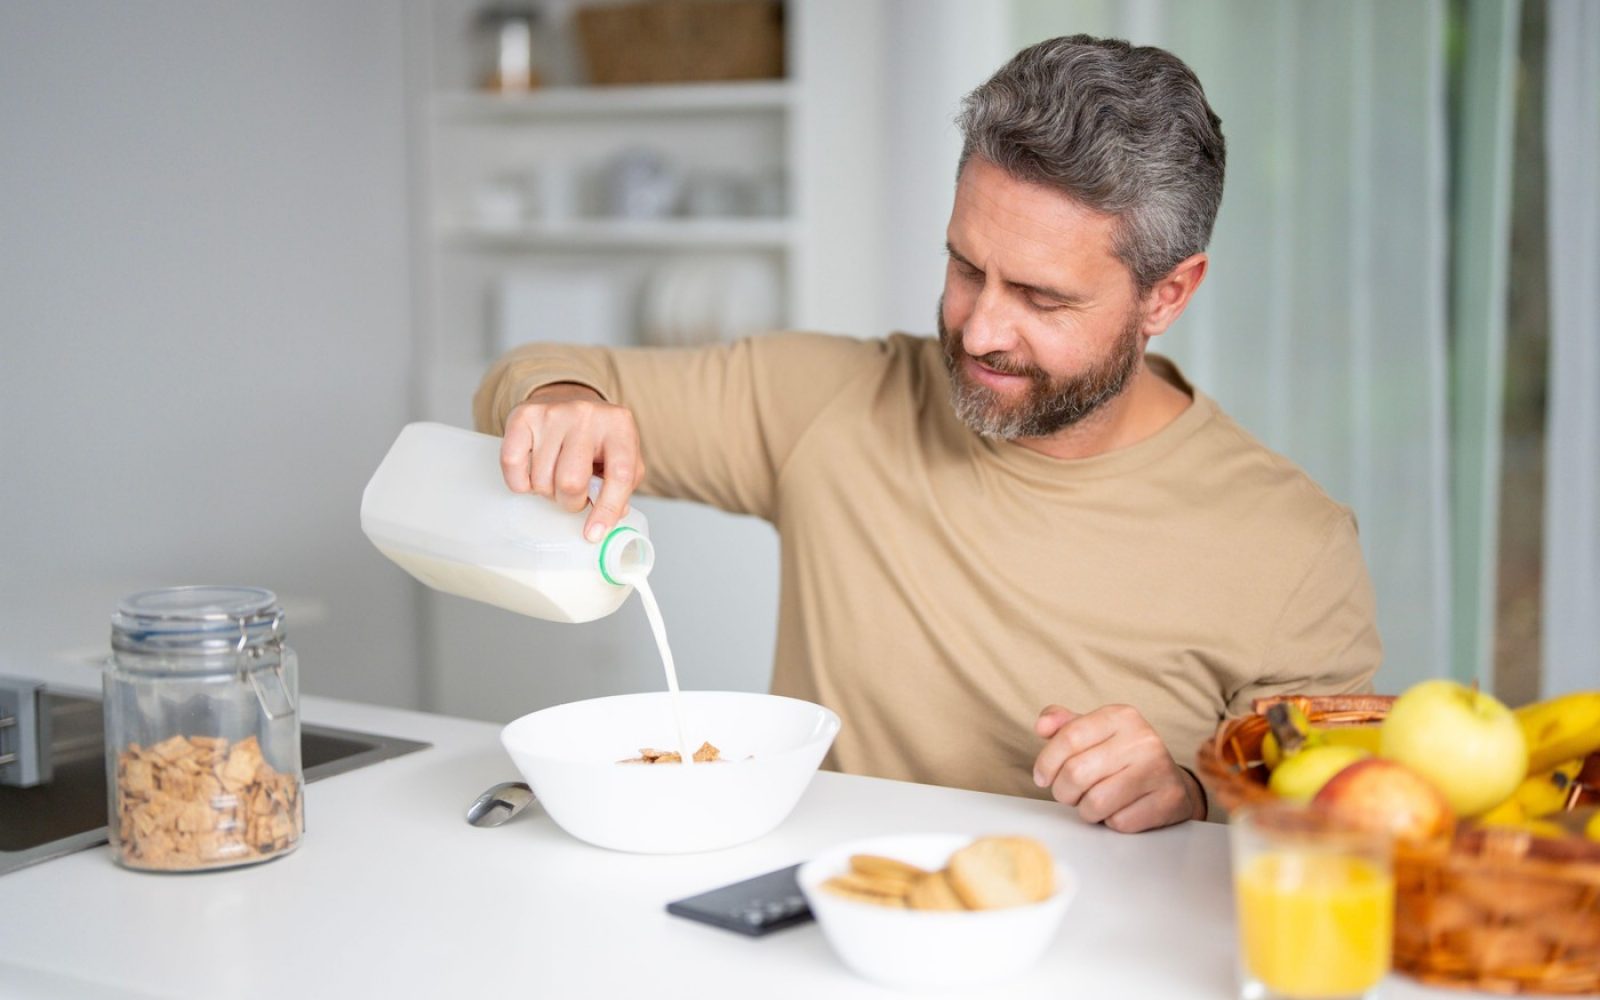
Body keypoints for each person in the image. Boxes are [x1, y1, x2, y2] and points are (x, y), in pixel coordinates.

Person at [474, 35, 1380, 832]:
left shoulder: (1294, 547)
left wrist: (1187, 792)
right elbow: (527, 378)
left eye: (1041, 297)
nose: (980, 329)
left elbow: (1337, 835)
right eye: (965, 266)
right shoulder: (832, 402)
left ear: (1168, 295)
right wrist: (559, 399)